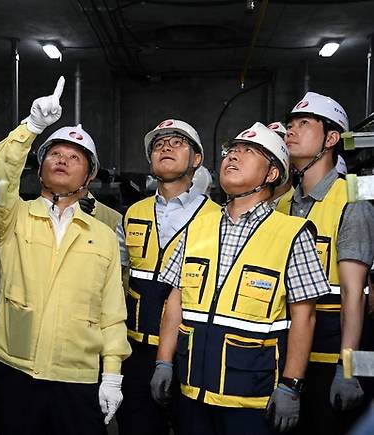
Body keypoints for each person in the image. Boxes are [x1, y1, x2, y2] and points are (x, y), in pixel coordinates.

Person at [152, 122, 331, 435]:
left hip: (251, 397)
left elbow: (305, 317)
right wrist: (163, 361)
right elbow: (176, 299)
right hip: (192, 391)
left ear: (272, 174)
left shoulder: (291, 234)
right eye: (231, 151)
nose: (233, 157)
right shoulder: (197, 228)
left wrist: (291, 384)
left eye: (248, 152)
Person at [0, 77, 131, 435]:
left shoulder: (102, 235)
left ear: (90, 175)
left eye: (75, 157)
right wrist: (31, 128)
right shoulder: (13, 217)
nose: (63, 160)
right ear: (41, 166)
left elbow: (112, 311)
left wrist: (111, 374)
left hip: (78, 378)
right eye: (55, 153)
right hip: (18, 372)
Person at [277, 91, 374, 434]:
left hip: (331, 359)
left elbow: (354, 290)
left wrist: (349, 368)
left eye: (304, 124)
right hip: (292, 356)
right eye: (289, 124)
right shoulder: (285, 203)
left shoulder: (353, 197)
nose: (291, 130)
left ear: (331, 139)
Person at [116, 119, 220, 435]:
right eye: (159, 144)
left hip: (192, 352)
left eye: (177, 142)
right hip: (136, 349)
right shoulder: (134, 213)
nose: (165, 147)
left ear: (197, 159)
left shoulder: (216, 218)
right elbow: (115, 277)